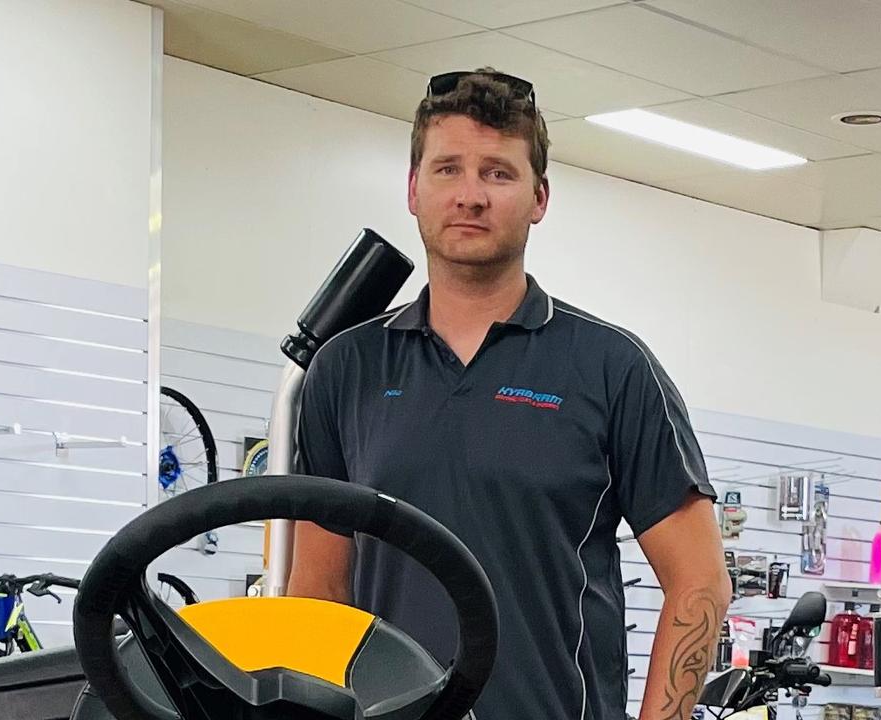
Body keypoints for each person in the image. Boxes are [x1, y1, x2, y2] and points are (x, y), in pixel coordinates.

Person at [288, 67, 732, 720]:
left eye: (498, 173)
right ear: (413, 190)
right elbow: (318, 589)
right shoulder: (343, 368)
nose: (471, 195)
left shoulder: (613, 367)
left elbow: (699, 582)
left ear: (539, 198)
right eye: (448, 170)